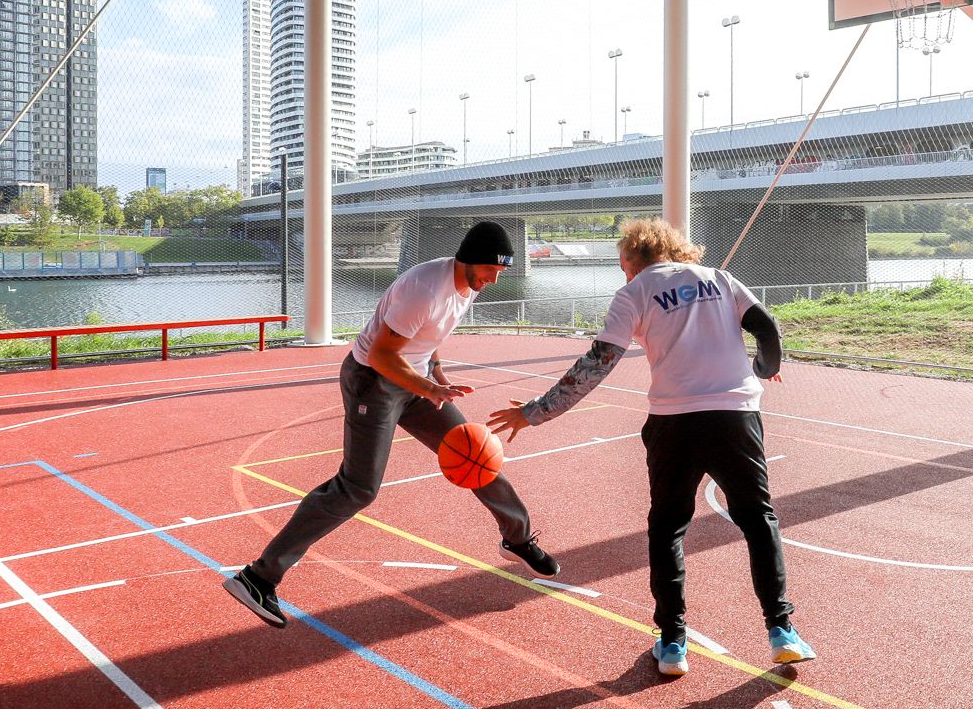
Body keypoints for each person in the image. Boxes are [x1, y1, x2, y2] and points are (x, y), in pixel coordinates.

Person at [487, 218, 810, 678]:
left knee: (668, 528)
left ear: (633, 259)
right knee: (759, 521)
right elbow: (768, 329)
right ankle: (781, 631)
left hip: (674, 423)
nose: (624, 276)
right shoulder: (719, 278)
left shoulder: (634, 293)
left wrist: (537, 411)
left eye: (623, 267)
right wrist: (763, 366)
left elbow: (598, 362)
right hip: (735, 418)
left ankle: (673, 641)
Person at [224, 220, 558, 628]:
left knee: (477, 454)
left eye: (500, 273)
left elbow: (432, 338)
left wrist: (437, 375)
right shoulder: (424, 289)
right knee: (358, 488)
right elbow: (383, 355)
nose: (493, 279)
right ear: (470, 259)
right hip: (374, 382)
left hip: (415, 381)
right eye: (491, 270)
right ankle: (258, 577)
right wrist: (427, 387)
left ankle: (517, 537)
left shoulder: (466, 285)